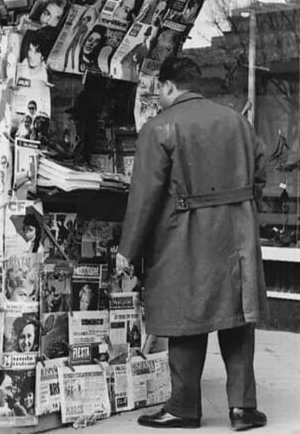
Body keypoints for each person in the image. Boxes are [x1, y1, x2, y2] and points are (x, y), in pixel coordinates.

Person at [117, 56, 268, 431]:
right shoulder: (237, 122)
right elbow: (260, 174)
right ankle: (243, 409)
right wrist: (239, 209)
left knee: (186, 316)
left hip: (185, 233)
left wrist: (127, 251)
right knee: (237, 316)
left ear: (168, 87)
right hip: (237, 232)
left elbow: (144, 198)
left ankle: (184, 408)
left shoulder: (160, 128)